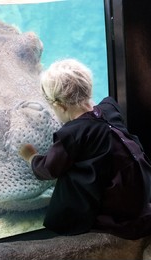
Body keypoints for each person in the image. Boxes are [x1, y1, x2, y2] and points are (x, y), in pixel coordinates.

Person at [19, 58, 151, 239]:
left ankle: (75, 222)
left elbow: (49, 169)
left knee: (68, 176)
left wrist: (31, 157)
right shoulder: (109, 108)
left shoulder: (73, 134)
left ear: (60, 105)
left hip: (119, 211)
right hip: (138, 195)